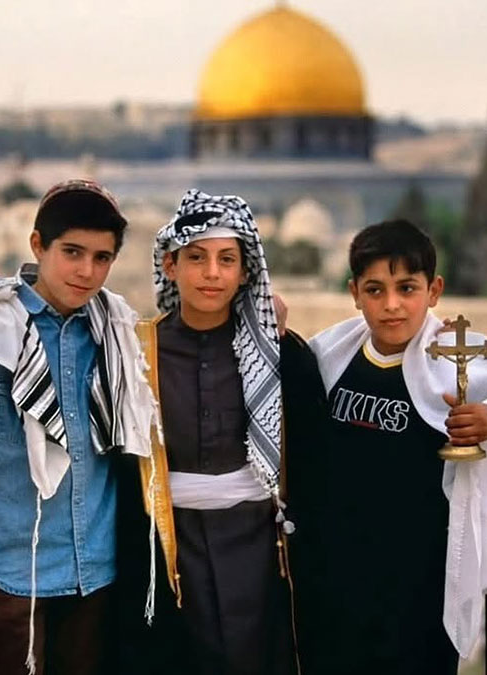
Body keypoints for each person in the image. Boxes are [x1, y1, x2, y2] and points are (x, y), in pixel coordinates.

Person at [0, 179, 156, 675]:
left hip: (96, 575)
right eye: (72, 252)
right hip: (12, 576)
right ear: (38, 245)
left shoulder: (116, 332)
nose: (86, 271)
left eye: (102, 258)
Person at [112, 189, 328, 675]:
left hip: (262, 552)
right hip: (169, 549)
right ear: (170, 265)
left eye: (227, 260)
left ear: (246, 271)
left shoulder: (282, 354)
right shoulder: (136, 353)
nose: (212, 273)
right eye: (196, 258)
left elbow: (316, 466)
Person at [304, 219, 487, 673]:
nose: (392, 305)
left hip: (418, 588)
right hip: (334, 581)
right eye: (375, 290)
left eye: (407, 288)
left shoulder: (457, 356)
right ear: (354, 293)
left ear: (434, 290)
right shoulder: (330, 353)